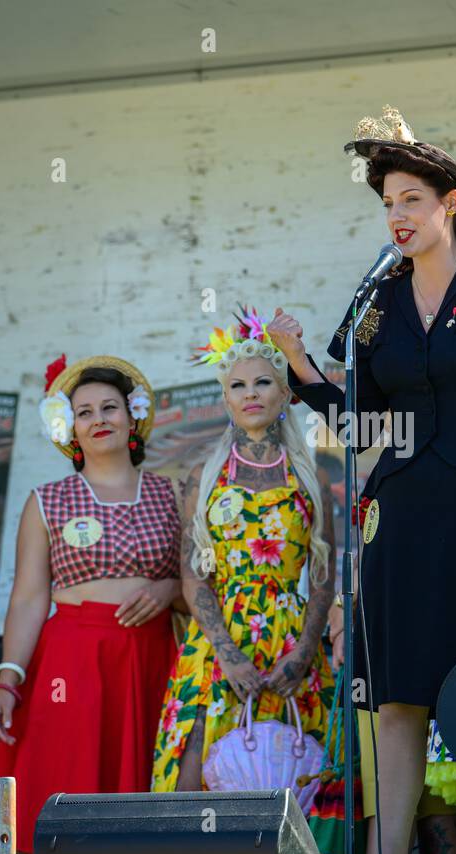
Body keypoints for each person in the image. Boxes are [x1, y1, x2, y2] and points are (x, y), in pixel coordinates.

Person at [267, 105, 456, 854]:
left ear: (450, 204)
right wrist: (301, 367)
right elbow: (363, 427)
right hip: (396, 519)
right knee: (395, 704)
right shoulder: (379, 308)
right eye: (387, 203)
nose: (396, 216)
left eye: (411, 201)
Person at [0, 355, 183, 854]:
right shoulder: (46, 500)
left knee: (147, 815)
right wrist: (9, 679)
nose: (99, 420)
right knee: (66, 811)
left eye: (110, 407)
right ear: (70, 425)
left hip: (152, 660)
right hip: (72, 665)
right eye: (85, 411)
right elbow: (28, 598)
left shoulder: (174, 492)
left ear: (133, 416)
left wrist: (169, 590)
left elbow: (199, 583)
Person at [152, 309, 335, 794]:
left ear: (285, 395)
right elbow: (193, 576)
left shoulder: (311, 478)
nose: (250, 393)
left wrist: (303, 653)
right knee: (192, 778)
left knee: (290, 779)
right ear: (226, 398)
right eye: (238, 386)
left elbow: (322, 574)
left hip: (290, 644)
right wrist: (229, 656)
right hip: (216, 646)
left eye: (263, 383)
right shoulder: (204, 477)